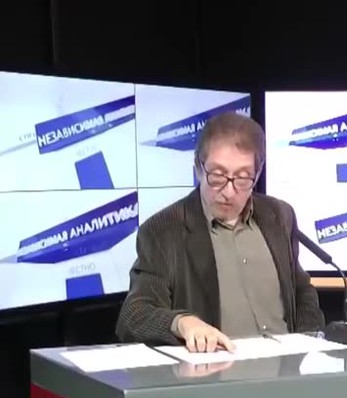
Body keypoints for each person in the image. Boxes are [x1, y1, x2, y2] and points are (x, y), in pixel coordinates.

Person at [116, 112, 325, 352]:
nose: (229, 192)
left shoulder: (279, 215)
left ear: (257, 175)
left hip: (288, 368)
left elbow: (301, 291)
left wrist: (308, 344)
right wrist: (182, 323)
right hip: (217, 370)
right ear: (198, 167)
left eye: (243, 178)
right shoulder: (164, 230)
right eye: (217, 176)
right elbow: (134, 315)